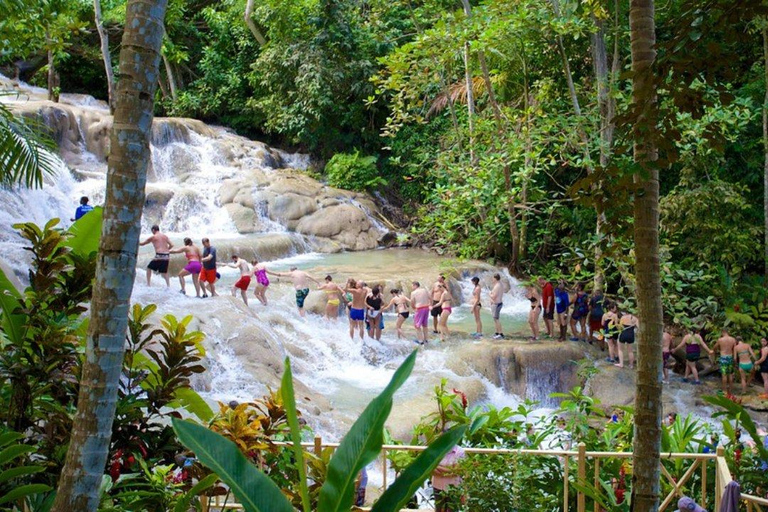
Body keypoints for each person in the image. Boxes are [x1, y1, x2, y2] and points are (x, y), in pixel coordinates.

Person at [432, 441, 465, 512]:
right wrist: (449, 470)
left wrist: (437, 466)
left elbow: (457, 471)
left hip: (453, 487)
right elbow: (431, 469)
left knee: (452, 510)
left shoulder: (459, 451)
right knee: (439, 509)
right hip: (437, 486)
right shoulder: (435, 450)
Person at [713, 328, 737, 395]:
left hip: (723, 358)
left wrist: (716, 350)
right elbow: (734, 349)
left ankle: (724, 391)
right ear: (728, 332)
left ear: (722, 332)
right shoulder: (733, 339)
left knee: (724, 375)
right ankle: (731, 391)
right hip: (730, 357)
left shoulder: (720, 340)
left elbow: (714, 347)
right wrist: (735, 358)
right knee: (730, 374)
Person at [490, 274, 505, 340]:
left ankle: (500, 334)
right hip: (498, 303)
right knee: (495, 319)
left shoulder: (497, 286)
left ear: (495, 278)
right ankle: (497, 332)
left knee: (496, 319)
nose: (492, 279)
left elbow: (494, 297)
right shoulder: (500, 284)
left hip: (496, 304)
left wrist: (489, 294)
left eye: (493, 278)